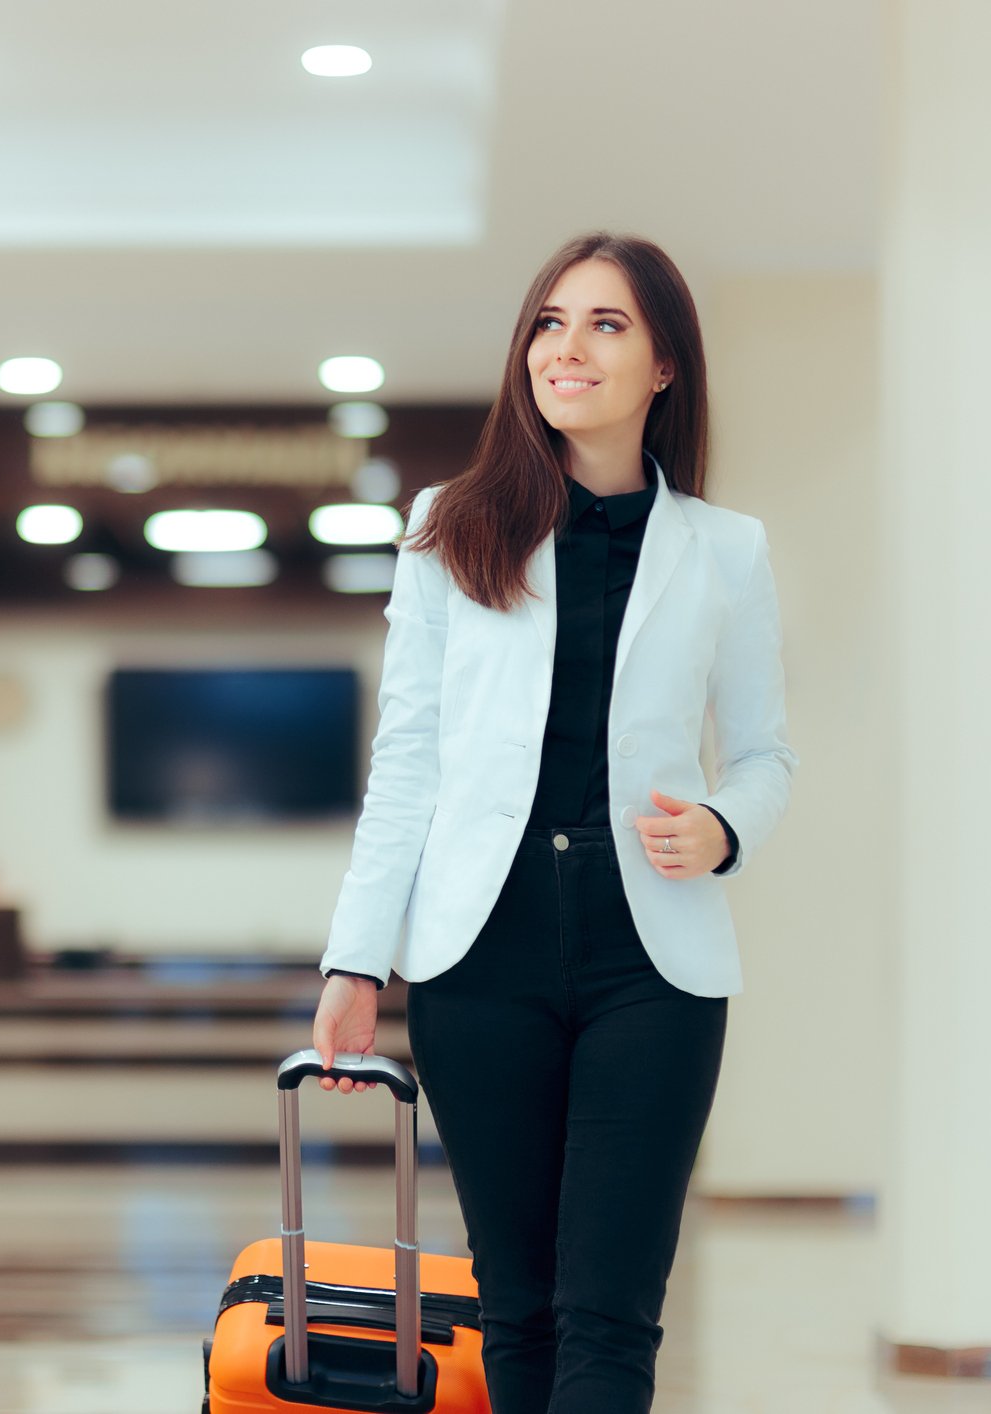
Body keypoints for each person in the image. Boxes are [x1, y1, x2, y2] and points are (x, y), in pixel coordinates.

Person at [310, 230, 798, 1412]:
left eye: (605, 324)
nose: (566, 348)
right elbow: (408, 761)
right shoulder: (448, 525)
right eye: (548, 322)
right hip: (484, 953)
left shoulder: (725, 552)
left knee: (610, 1314)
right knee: (516, 1308)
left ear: (665, 364)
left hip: (653, 960)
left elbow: (768, 753)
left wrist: (724, 825)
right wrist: (353, 957)